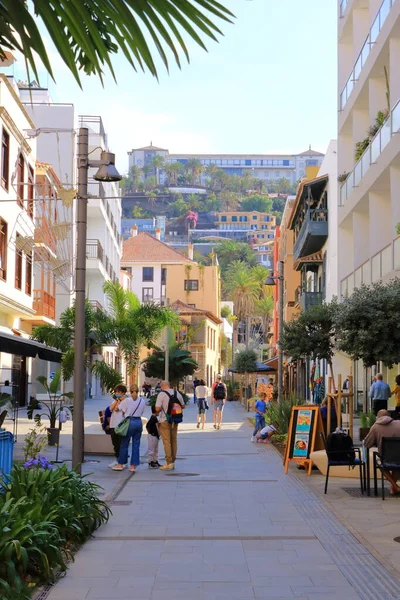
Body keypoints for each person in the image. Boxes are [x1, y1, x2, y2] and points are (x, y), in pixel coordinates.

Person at [364, 409, 400, 495]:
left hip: (385, 458)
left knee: (381, 465)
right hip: (399, 456)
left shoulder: (375, 427)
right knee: (398, 464)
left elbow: (367, 444)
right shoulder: (399, 423)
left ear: (378, 417)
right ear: (389, 416)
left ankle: (395, 486)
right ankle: (394, 487)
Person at [112, 384, 146, 472]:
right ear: (138, 391)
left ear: (130, 392)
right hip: (138, 422)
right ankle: (133, 466)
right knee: (136, 445)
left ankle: (120, 464)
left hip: (129, 422)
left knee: (124, 444)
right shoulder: (142, 401)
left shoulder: (127, 400)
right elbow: (142, 412)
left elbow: (118, 409)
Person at [155, 380, 185, 470]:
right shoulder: (177, 393)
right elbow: (183, 405)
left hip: (164, 420)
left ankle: (169, 462)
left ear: (162, 386)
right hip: (175, 420)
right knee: (174, 440)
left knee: (167, 441)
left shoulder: (161, 394)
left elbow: (157, 408)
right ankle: (173, 461)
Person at [108, 385, 126, 468]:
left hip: (121, 425)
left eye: (119, 392)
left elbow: (117, 409)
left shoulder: (126, 402)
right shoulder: (115, 401)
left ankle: (122, 461)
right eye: (116, 392)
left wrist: (120, 401)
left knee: (121, 444)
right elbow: (111, 409)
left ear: (123, 393)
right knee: (115, 444)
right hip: (113, 424)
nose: (117, 393)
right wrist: (117, 400)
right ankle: (117, 460)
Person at [146, 404, 160, 469]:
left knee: (155, 449)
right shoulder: (154, 419)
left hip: (153, 435)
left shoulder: (153, 418)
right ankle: (151, 462)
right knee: (152, 449)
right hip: (153, 435)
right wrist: (151, 433)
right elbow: (148, 426)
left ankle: (154, 461)